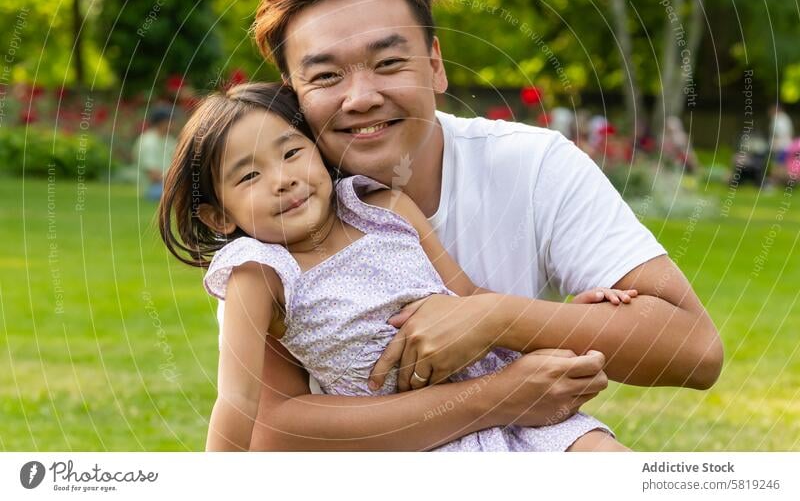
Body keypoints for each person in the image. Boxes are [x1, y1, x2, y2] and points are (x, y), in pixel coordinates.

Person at [218, 0, 720, 451]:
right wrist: (499, 396)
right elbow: (272, 431)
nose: (361, 97)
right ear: (292, 92)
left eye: (388, 63)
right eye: (325, 75)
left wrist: (494, 317)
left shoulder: (532, 164)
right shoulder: (283, 214)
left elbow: (696, 350)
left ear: (434, 64)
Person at [159, 82, 645, 451]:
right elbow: (240, 400)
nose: (283, 180)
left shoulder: (384, 208)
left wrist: (568, 323)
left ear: (318, 151)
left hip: (522, 412)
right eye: (249, 175)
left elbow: (471, 298)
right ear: (219, 216)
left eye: (291, 152)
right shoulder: (259, 271)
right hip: (414, 439)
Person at [133, 106, 177, 201]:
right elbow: (153, 175)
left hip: (169, 183)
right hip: (153, 188)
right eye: (171, 121)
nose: (174, 124)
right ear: (162, 122)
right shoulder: (148, 142)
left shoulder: (170, 140)